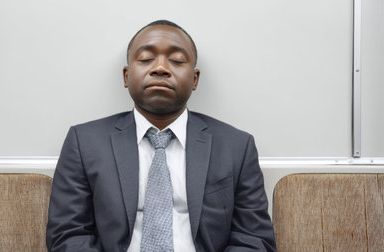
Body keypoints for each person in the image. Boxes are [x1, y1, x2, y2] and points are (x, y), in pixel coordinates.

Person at [46, 20, 276, 252]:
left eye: (176, 61)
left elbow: (253, 238)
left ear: (195, 79)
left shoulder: (237, 146)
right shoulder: (84, 142)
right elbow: (69, 234)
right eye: (146, 59)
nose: (160, 68)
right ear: (126, 76)